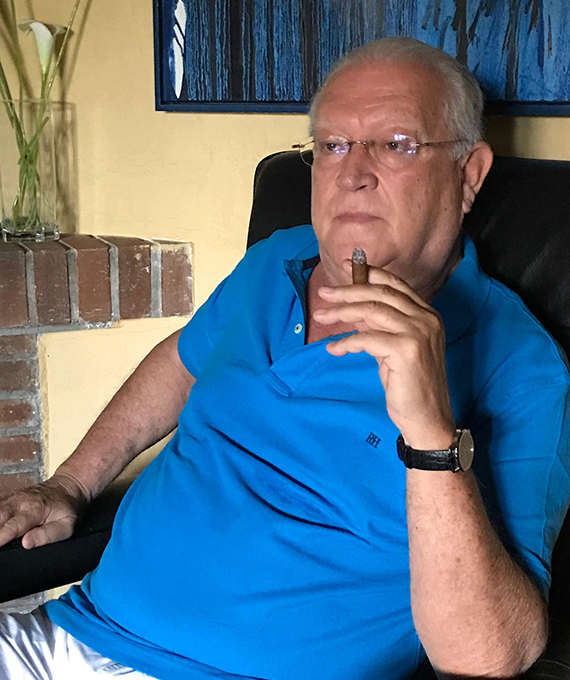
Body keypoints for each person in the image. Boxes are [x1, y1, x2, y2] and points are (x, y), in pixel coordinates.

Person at [0, 36, 569, 680]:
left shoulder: (521, 366)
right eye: (332, 145)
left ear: (469, 174)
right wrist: (69, 484)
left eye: (396, 144)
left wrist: (430, 433)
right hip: (74, 632)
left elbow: (492, 657)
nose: (353, 172)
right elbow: (181, 364)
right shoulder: (277, 258)